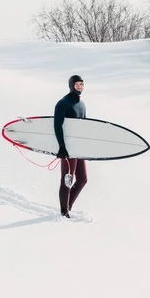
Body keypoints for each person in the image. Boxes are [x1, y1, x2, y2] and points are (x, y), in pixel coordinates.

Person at [54, 75, 88, 218]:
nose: (79, 87)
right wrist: (61, 147)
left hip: (78, 148)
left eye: (82, 84)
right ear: (71, 85)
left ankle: (68, 206)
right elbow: (57, 126)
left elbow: (83, 127)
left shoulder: (82, 105)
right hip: (67, 148)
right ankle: (64, 212)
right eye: (77, 84)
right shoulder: (63, 103)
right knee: (67, 180)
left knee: (82, 179)